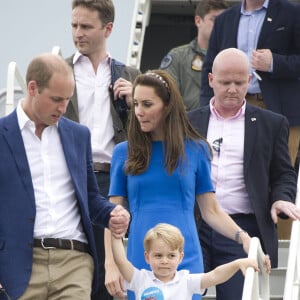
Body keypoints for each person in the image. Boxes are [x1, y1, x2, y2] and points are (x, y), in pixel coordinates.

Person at [104, 69, 266, 300]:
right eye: (136, 104)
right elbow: (112, 216)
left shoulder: (196, 149)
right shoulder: (123, 152)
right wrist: (111, 263)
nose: (139, 112)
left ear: (168, 106)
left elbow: (211, 210)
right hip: (141, 258)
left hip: (185, 256)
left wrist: (243, 237)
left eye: (147, 104)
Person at [0, 53, 130, 300]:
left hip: (74, 262)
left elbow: (91, 197)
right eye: (56, 99)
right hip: (18, 266)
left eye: (67, 99)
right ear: (32, 88)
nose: (63, 108)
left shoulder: (78, 135)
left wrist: (112, 213)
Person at [188, 48, 300, 300]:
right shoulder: (188, 122)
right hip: (194, 224)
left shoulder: (272, 123)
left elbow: (283, 173)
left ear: (249, 81)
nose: (232, 89)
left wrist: (281, 198)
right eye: (225, 82)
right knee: (184, 294)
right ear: (211, 80)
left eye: (239, 82)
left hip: (244, 230)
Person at [64, 1, 140, 299]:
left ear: (108, 29)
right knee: (75, 259)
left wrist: (135, 101)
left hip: (114, 180)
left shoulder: (131, 75)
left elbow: (154, 129)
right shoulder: (61, 71)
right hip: (72, 179)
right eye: (74, 25)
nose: (77, 33)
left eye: (86, 26)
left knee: (114, 273)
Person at [200, 0, 300, 168]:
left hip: (281, 110)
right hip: (233, 108)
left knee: (280, 176)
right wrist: (205, 111)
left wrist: (275, 62)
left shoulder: (293, 13)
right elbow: (209, 68)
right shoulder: (225, 19)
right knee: (232, 172)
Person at [111, 223, 262, 300]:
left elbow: (215, 275)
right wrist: (116, 234)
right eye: (158, 256)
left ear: (180, 257)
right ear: (147, 257)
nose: (164, 261)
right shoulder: (140, 278)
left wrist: (237, 264)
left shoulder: (186, 280)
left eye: (171, 256)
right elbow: (121, 261)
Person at [159, 0, 228, 111]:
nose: (220, 25)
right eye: (214, 20)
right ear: (198, 21)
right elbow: (164, 94)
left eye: (224, 21)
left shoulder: (233, 59)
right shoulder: (178, 57)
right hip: (186, 123)